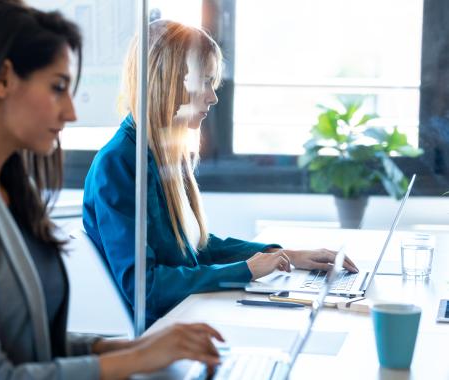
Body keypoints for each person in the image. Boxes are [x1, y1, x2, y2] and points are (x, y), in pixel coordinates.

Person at [0, 2, 225, 378]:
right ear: (2, 80)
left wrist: (136, 347)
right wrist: (131, 360)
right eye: (57, 87)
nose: (70, 112)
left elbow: (29, 343)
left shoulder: (8, 187)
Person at [83, 20, 359, 327]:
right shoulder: (118, 165)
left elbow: (196, 247)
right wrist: (245, 270)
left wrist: (285, 255)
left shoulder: (162, 152)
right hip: (168, 329)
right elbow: (145, 288)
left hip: (188, 315)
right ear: (171, 81)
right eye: (204, 82)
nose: (213, 98)